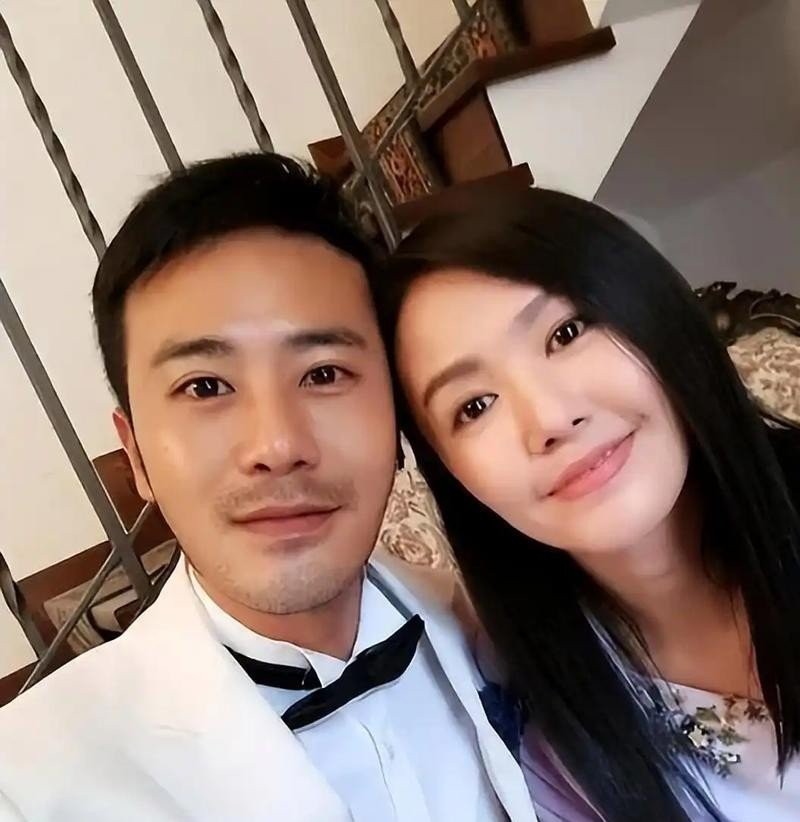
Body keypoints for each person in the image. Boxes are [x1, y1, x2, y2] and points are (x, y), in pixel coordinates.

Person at [0, 154, 538, 822]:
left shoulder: (491, 629)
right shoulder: (28, 783)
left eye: (323, 374)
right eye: (205, 387)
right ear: (135, 454)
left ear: (396, 412)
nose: (278, 447)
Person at [375, 187, 800, 822]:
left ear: (651, 312)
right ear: (454, 476)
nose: (549, 419)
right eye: (475, 406)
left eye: (565, 333)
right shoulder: (546, 742)